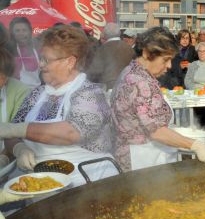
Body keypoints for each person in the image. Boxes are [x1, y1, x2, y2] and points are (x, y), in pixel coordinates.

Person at [0, 26, 118, 187]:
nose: (40, 65)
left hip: (88, 183)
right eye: (40, 58)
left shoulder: (90, 93)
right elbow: (11, 134)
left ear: (70, 61)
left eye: (46, 60)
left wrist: (17, 129)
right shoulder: (36, 94)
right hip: (42, 184)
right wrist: (18, 148)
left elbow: (71, 132)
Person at [111, 27, 205, 171]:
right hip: (142, 159)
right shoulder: (139, 81)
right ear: (147, 53)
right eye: (165, 60)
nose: (169, 66)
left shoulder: (134, 71)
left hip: (140, 154)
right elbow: (156, 131)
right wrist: (195, 145)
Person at [0, 49, 31, 168]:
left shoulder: (21, 91)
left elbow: (17, 133)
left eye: (5, 77)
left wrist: (4, 159)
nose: (2, 82)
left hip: (6, 155)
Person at [86, 22, 136, 90]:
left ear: (105, 34)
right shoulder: (129, 49)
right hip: (125, 88)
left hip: (107, 88)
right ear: (119, 33)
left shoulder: (102, 49)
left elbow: (94, 72)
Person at [8, 17, 40, 88]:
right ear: (12, 33)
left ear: (29, 31)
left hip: (36, 91)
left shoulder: (37, 48)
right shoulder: (9, 50)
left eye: (24, 30)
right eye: (17, 30)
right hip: (16, 92)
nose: (21, 33)